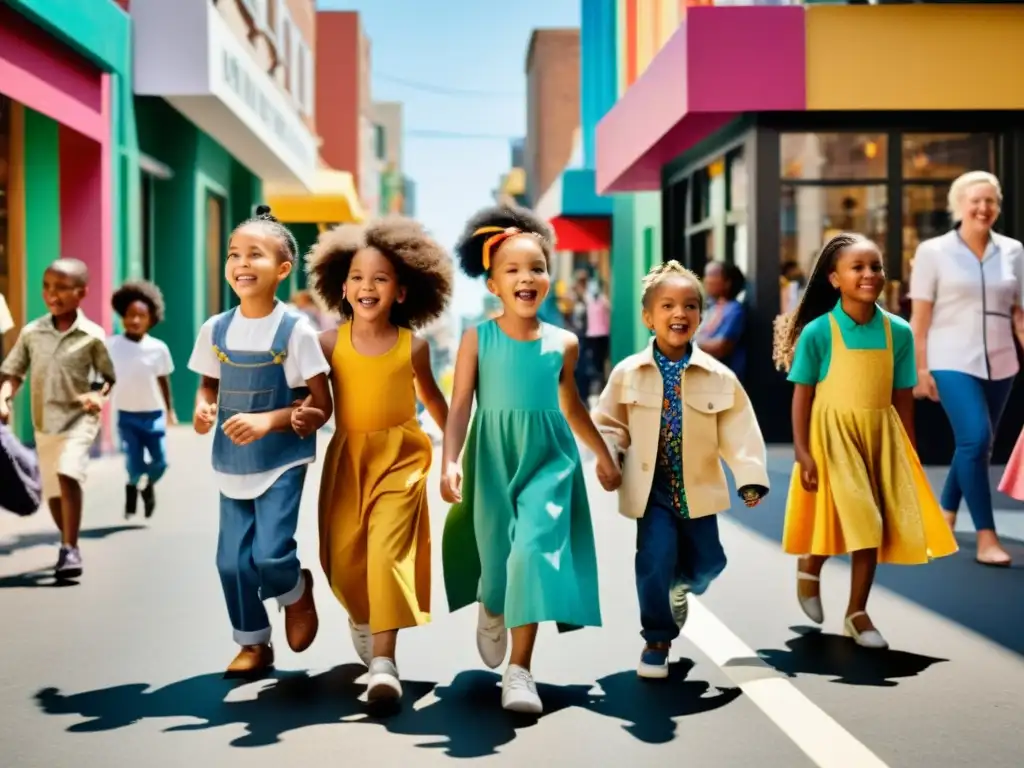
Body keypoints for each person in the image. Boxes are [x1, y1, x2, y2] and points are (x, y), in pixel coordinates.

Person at [440, 204, 621, 715]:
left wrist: (602, 456)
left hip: (549, 459)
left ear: (548, 278)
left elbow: (572, 404)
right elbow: (459, 408)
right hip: (492, 460)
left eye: (537, 267)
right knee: (498, 566)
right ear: (492, 284)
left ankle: (520, 671)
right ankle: (491, 603)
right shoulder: (478, 338)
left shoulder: (564, 342)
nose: (527, 277)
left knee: (533, 554)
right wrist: (449, 460)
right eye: (513, 270)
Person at [773, 233, 958, 650]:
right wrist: (802, 451)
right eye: (858, 267)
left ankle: (856, 611)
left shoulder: (899, 332)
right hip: (831, 437)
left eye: (875, 266)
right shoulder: (819, 332)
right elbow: (802, 395)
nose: (869, 274)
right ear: (834, 279)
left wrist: (909, 451)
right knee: (863, 520)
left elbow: (902, 398)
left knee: (864, 521)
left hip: (878, 437)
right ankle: (813, 566)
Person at [593, 260, 768, 680]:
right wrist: (610, 456)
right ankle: (656, 640)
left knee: (710, 561)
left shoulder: (718, 377)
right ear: (648, 317)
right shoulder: (627, 373)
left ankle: (683, 584)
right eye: (668, 305)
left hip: (698, 488)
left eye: (690, 306)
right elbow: (608, 423)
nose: (679, 314)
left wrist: (749, 476)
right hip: (651, 489)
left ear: (700, 316)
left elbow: (739, 428)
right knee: (653, 559)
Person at [305, 215, 453, 703]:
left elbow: (436, 403)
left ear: (403, 292)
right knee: (343, 558)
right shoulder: (326, 345)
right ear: (341, 288)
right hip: (347, 456)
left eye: (381, 278)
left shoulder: (415, 347)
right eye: (357, 278)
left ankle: (385, 662)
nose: (367, 286)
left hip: (402, 458)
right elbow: (311, 400)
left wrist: (455, 453)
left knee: (388, 552)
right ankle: (362, 614)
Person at [188, 205, 333, 678]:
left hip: (281, 459)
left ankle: (294, 591)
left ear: (283, 269)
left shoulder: (296, 332)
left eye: (255, 255)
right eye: (234, 254)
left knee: (270, 553)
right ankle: (252, 642)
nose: (241, 264)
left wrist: (268, 422)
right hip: (232, 459)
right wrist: (204, 406)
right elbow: (209, 382)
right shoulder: (216, 328)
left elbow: (320, 404)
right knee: (231, 562)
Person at [908, 171, 1024, 567]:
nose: (983, 208)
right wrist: (920, 369)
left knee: (977, 444)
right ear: (958, 205)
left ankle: (945, 514)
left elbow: (1020, 315)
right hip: (949, 356)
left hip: (1002, 359)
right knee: (975, 438)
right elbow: (919, 318)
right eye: (976, 200)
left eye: (991, 201)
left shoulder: (1013, 251)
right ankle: (986, 536)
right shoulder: (933, 252)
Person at [0, 258, 116, 580]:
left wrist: (98, 395)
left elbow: (107, 376)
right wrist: (3, 397)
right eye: (47, 287)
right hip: (44, 422)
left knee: (68, 472)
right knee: (53, 492)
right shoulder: (32, 332)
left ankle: (70, 548)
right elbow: (12, 371)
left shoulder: (92, 335)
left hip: (79, 420)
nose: (53, 294)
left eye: (62, 288)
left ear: (82, 293)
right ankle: (67, 539)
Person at [106, 280, 175, 519]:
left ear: (151, 319)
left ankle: (146, 486)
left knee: (161, 462)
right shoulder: (111, 345)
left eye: (141, 316)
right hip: (126, 415)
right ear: (122, 316)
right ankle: (133, 484)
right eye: (130, 315)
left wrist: (170, 410)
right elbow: (106, 379)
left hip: (153, 414)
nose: (135, 320)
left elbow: (164, 381)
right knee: (133, 465)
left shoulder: (158, 348)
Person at [695, 261, 748, 378]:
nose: (706, 280)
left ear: (727, 283)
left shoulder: (734, 310)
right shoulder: (711, 309)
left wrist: (688, 344)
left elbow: (722, 346)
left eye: (712, 275)